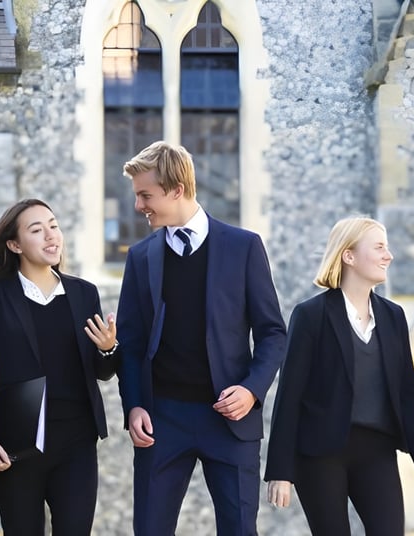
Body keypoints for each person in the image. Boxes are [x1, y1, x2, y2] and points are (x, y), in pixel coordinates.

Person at [116, 141, 286, 535]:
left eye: (146, 195)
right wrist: (134, 406)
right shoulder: (140, 257)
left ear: (176, 190)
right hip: (162, 420)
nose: (139, 205)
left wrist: (251, 390)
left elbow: (273, 333)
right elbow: (131, 342)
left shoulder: (243, 247)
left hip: (231, 420)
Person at [264, 216, 414, 535]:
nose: (388, 255)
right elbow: (289, 395)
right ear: (348, 256)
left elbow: (405, 391)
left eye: (387, 247)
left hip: (376, 451)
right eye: (379, 247)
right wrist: (281, 471)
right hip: (320, 454)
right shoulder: (311, 316)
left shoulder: (393, 317)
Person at [0, 199, 119, 536]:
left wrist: (108, 350)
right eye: (37, 230)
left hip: (77, 441)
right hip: (16, 445)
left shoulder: (83, 294)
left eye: (54, 225)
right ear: (14, 244)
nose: (51, 236)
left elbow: (101, 372)